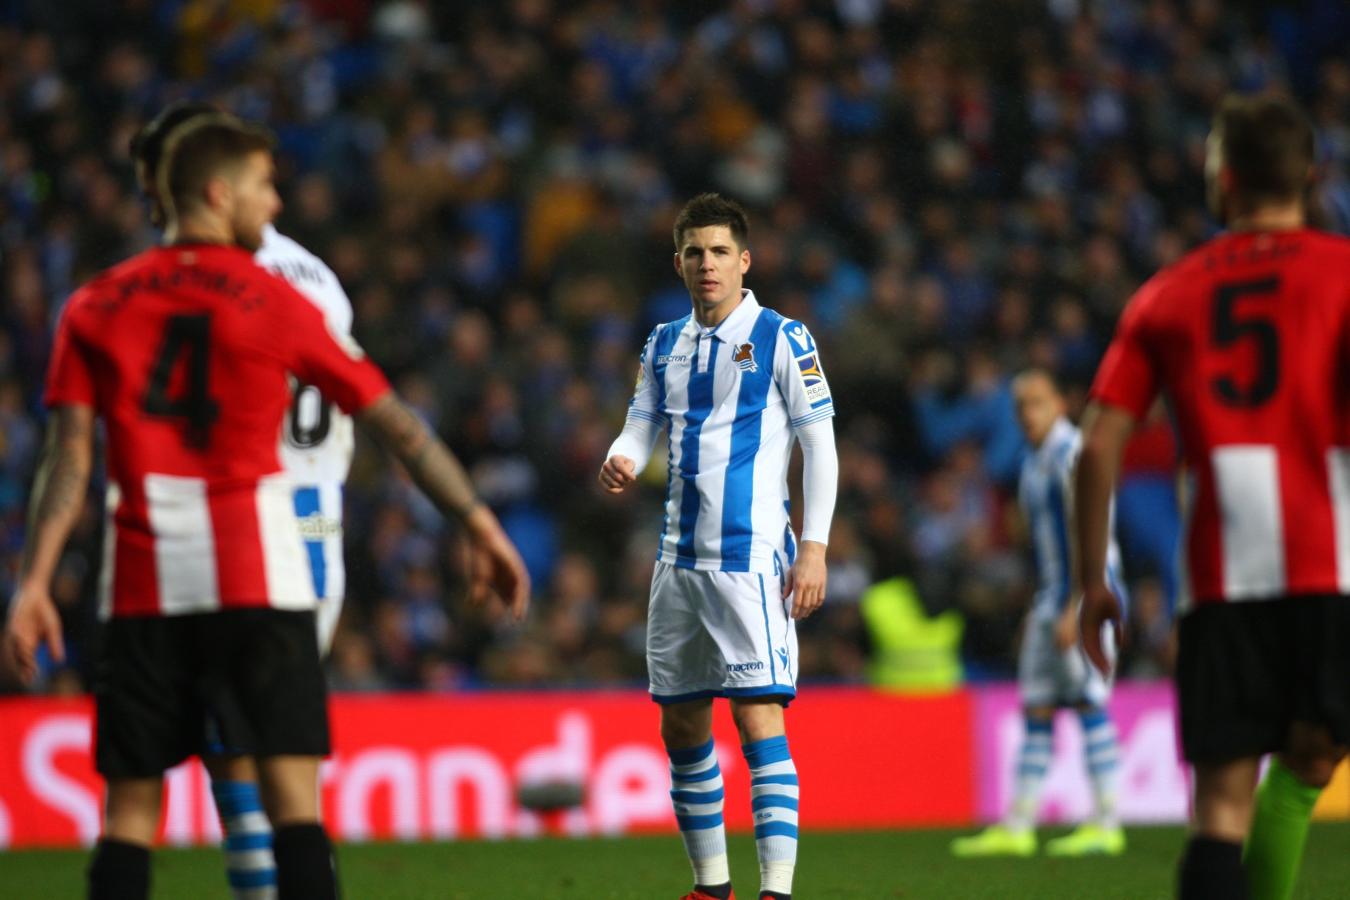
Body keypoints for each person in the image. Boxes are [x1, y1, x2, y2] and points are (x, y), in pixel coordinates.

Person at [1, 114, 528, 900]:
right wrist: (478, 522)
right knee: (292, 805)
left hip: (145, 575)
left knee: (130, 813)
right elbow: (396, 423)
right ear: (219, 193)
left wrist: (34, 581)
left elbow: (70, 455)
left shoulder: (96, 304)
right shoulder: (274, 296)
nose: (275, 202)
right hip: (262, 564)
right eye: (263, 186)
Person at [1077, 93, 1350, 900]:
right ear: (1311, 175)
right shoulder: (1342, 273)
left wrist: (1096, 579)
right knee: (1310, 758)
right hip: (1331, 566)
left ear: (1222, 183)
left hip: (1220, 578)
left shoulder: (1169, 292)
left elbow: (1096, 444)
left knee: (1222, 808)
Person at [129, 100, 359, 900]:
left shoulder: (214, 283)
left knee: (242, 746)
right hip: (318, 520)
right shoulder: (317, 276)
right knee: (272, 748)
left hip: (247, 524)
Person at [599, 193, 838, 900]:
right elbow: (641, 421)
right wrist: (621, 453)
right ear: (679, 262)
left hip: (750, 558)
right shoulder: (663, 342)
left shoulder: (782, 337)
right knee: (680, 722)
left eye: (721, 251)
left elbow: (819, 446)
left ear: (745, 261)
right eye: (696, 252)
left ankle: (778, 891)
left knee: (758, 713)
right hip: (676, 561)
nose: (708, 264)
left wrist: (816, 546)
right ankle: (711, 887)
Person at [951, 369, 1126, 858]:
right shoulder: (1034, 461)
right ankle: (1019, 825)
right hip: (1053, 597)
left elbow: (1088, 535)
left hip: (1085, 596)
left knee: (1089, 702)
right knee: (1038, 706)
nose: (1027, 413)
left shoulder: (1073, 454)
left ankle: (1108, 823)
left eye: (1036, 402)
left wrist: (1079, 605)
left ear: (1060, 405)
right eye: (1020, 405)